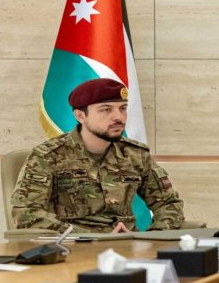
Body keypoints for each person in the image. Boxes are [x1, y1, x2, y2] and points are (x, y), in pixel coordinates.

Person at [11, 78, 185, 233]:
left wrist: (151, 237)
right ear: (80, 115)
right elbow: (26, 213)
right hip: (73, 248)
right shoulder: (48, 156)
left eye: (123, 108)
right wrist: (89, 237)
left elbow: (168, 203)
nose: (119, 117)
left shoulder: (135, 154)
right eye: (106, 110)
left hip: (127, 247)